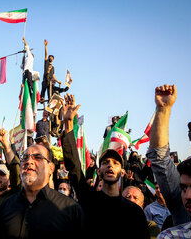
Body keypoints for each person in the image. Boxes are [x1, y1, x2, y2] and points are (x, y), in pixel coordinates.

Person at [60, 94, 150, 239]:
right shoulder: (88, 199)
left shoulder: (134, 212)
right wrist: (69, 123)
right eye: (105, 162)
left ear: (122, 172)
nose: (110, 165)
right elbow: (74, 167)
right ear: (99, 171)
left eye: (115, 163)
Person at [145, 84, 191, 238]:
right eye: (183, 188)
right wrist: (163, 109)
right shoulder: (172, 236)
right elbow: (159, 159)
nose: (188, 196)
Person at [0, 142, 84, 239]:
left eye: (38, 157)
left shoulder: (70, 208)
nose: (29, 161)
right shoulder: (6, 205)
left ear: (51, 168)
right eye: (25, 157)